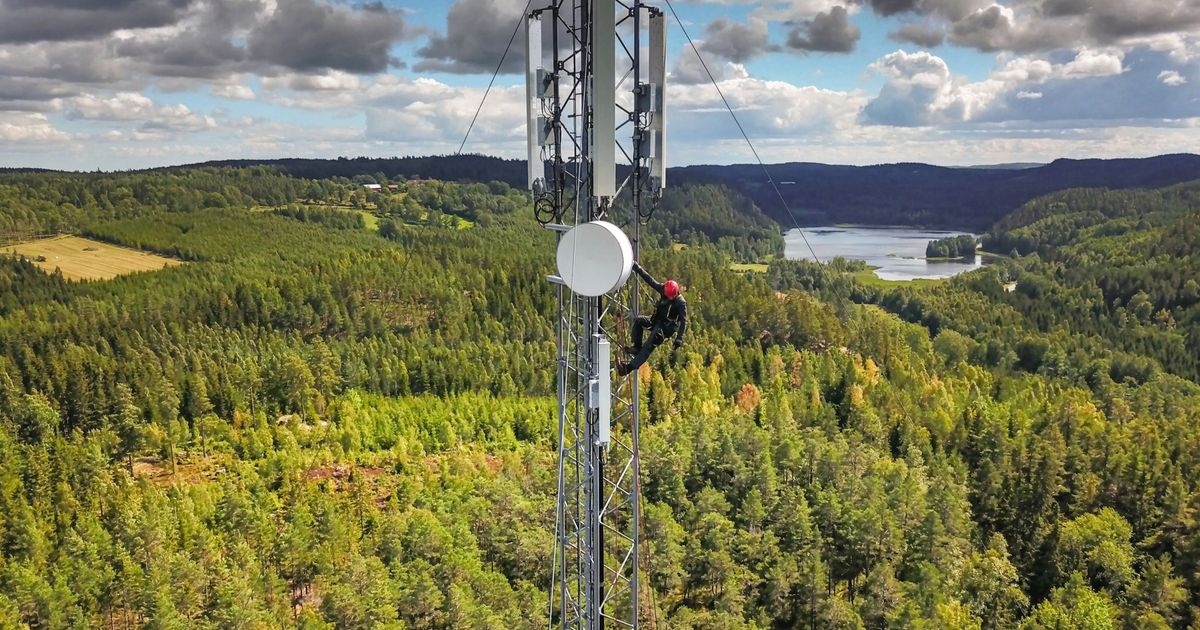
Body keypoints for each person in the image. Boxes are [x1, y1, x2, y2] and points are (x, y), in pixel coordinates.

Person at [617, 261, 688, 376]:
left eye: (670, 297)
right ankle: (636, 347)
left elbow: (684, 321)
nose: (668, 298)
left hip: (665, 329)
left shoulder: (680, 303)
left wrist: (679, 338)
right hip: (656, 320)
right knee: (638, 320)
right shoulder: (664, 289)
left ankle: (627, 368)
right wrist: (637, 268)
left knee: (649, 344)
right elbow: (650, 280)